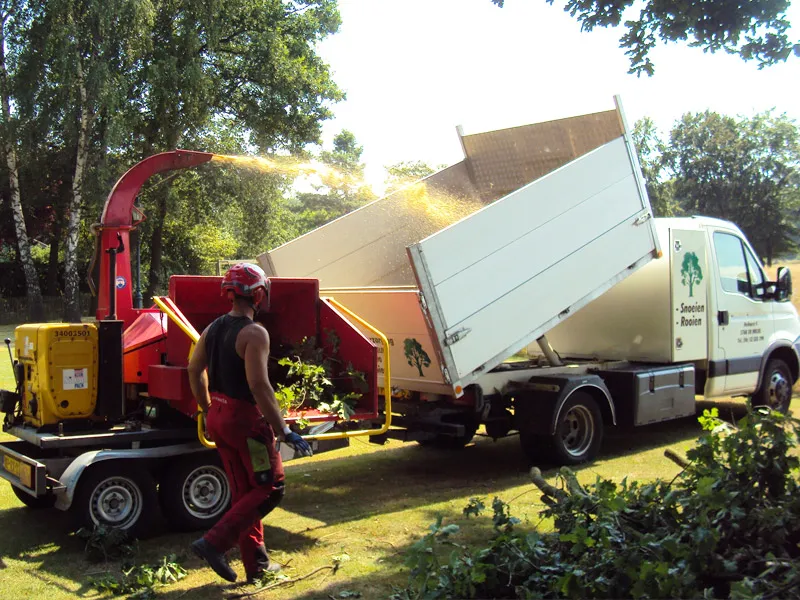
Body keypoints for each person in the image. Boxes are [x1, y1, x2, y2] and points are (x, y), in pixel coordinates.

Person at [187, 262, 312, 584]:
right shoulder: (254, 332)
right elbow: (259, 385)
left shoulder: (212, 328)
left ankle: (256, 566)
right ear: (259, 294)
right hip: (245, 424)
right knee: (271, 488)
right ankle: (214, 543)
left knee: (246, 494)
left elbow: (193, 369)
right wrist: (284, 429)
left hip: (218, 416)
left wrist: (206, 409)